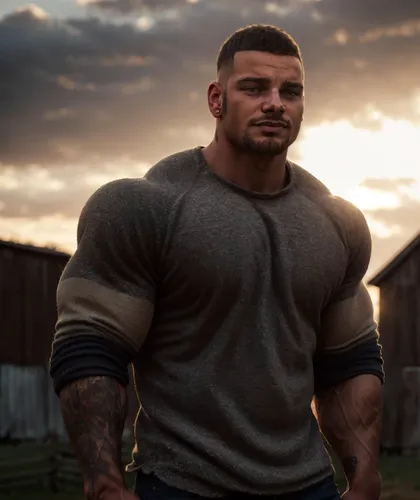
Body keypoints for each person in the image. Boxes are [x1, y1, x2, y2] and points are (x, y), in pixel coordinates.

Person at [49, 24, 384, 500]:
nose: (275, 103)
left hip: (308, 485)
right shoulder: (145, 208)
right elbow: (90, 348)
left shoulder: (337, 222)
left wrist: (365, 478)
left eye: (290, 91)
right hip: (184, 485)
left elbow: (349, 362)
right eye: (254, 88)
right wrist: (104, 482)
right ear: (216, 99)